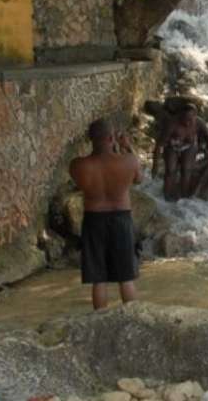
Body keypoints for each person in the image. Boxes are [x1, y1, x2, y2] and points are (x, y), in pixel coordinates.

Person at [69, 119, 142, 310]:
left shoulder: (78, 165)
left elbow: (78, 183)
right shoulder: (129, 161)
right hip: (122, 218)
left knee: (98, 279)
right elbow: (139, 179)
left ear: (89, 139)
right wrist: (127, 147)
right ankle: (135, 320)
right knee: (125, 278)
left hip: (94, 220)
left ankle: (99, 320)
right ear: (112, 138)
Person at [152, 106, 208, 201]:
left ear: (195, 116)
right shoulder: (172, 124)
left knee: (186, 170)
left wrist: (205, 150)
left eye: (190, 120)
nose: (187, 122)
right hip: (172, 146)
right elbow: (160, 144)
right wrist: (155, 165)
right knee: (170, 170)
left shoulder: (199, 123)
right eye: (185, 119)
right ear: (180, 116)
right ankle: (166, 196)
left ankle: (183, 198)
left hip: (190, 146)